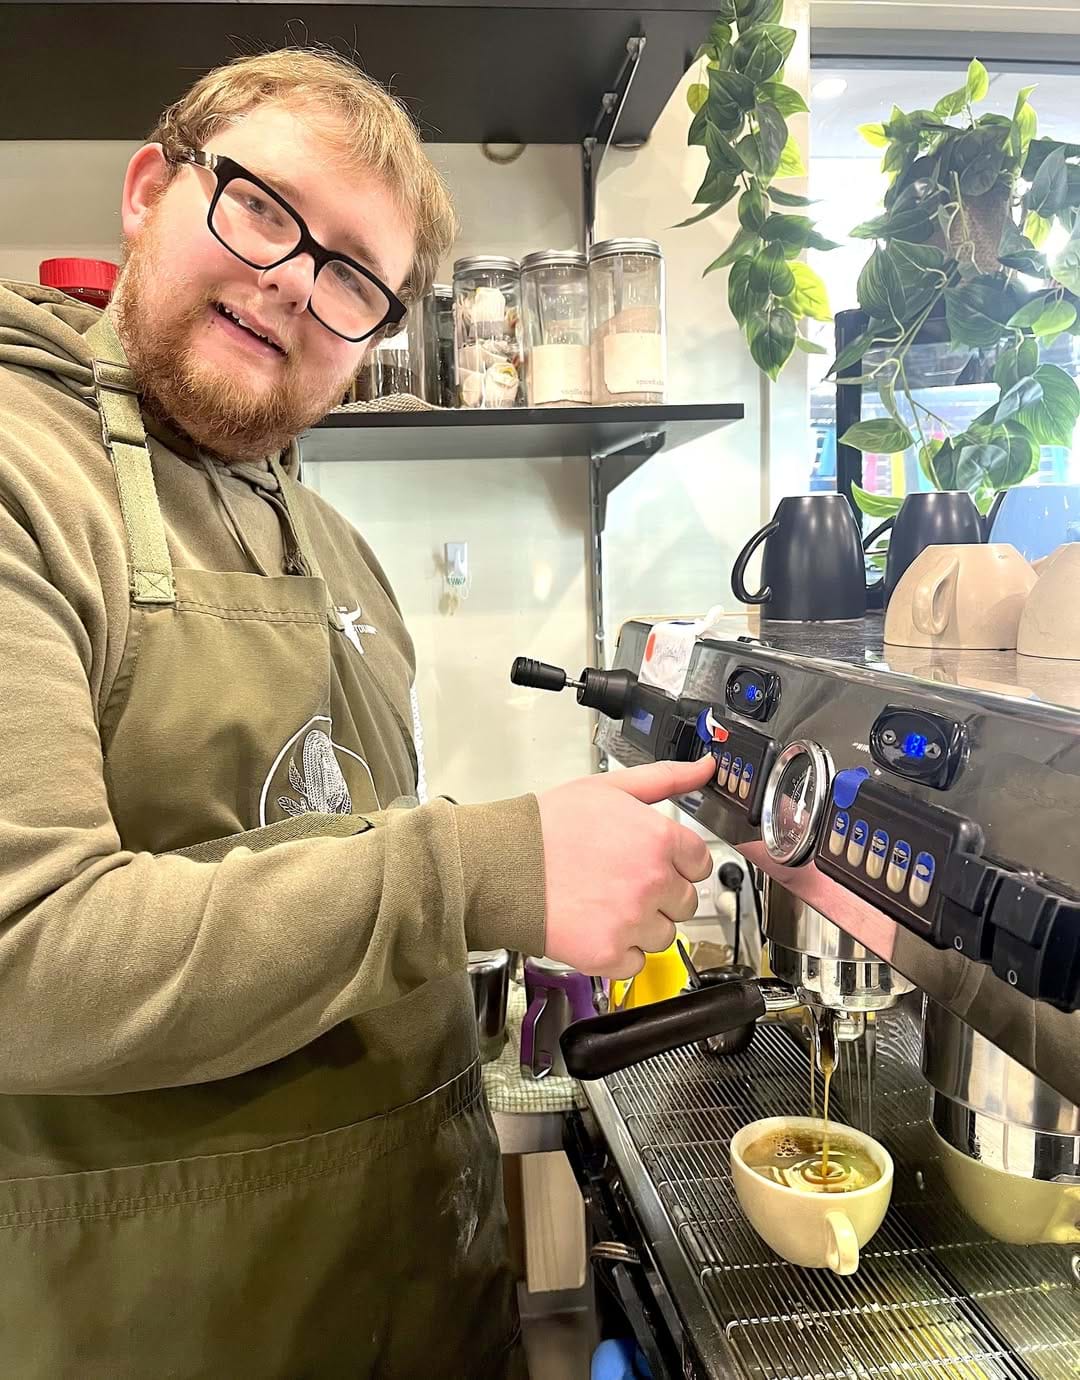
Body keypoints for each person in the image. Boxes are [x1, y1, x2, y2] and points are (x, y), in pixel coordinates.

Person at [0, 48, 715, 1377]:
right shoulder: (22, 474)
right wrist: (485, 868)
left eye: (350, 276)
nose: (291, 280)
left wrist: (533, 897)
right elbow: (25, 962)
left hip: (423, 1295)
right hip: (162, 1329)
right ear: (150, 189)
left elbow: (340, 871)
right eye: (262, 207)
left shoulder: (342, 553)